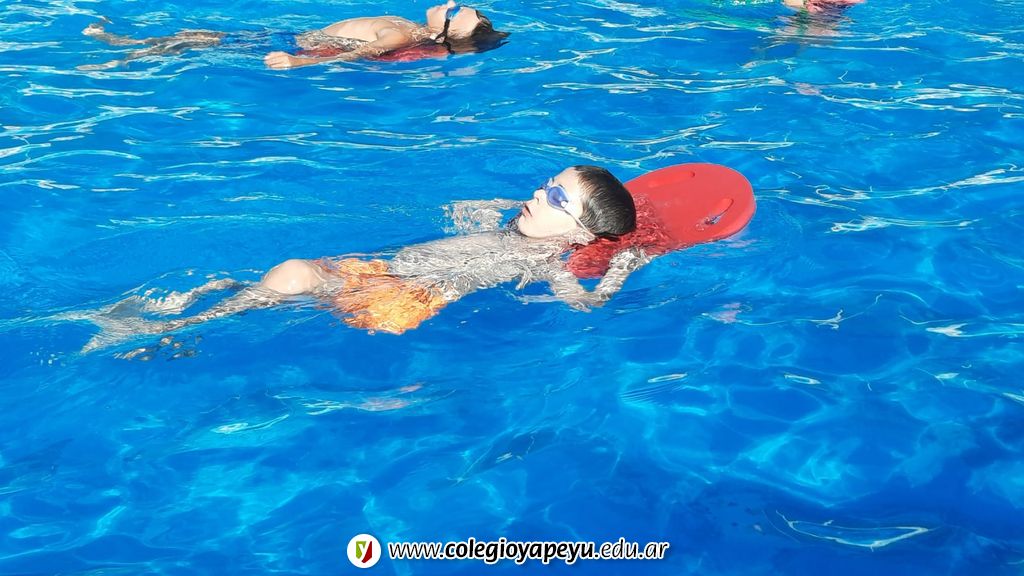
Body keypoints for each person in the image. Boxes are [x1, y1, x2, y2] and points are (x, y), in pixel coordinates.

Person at [81, 166, 647, 353]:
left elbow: (582, 305)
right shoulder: (514, 228)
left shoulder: (548, 262)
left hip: (400, 299)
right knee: (270, 281)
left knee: (292, 275)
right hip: (383, 275)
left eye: (554, 197)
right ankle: (187, 313)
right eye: (545, 182)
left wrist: (621, 269)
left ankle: (167, 328)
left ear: (579, 233)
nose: (536, 193)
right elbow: (462, 214)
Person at [78, 1, 508, 71]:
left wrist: (301, 61)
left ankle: (122, 53)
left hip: (295, 47)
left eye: (455, 11)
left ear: (445, 29)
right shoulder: (412, 29)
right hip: (296, 39)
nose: (449, 3)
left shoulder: (399, 34)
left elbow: (366, 51)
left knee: (199, 39)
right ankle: (127, 49)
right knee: (200, 37)